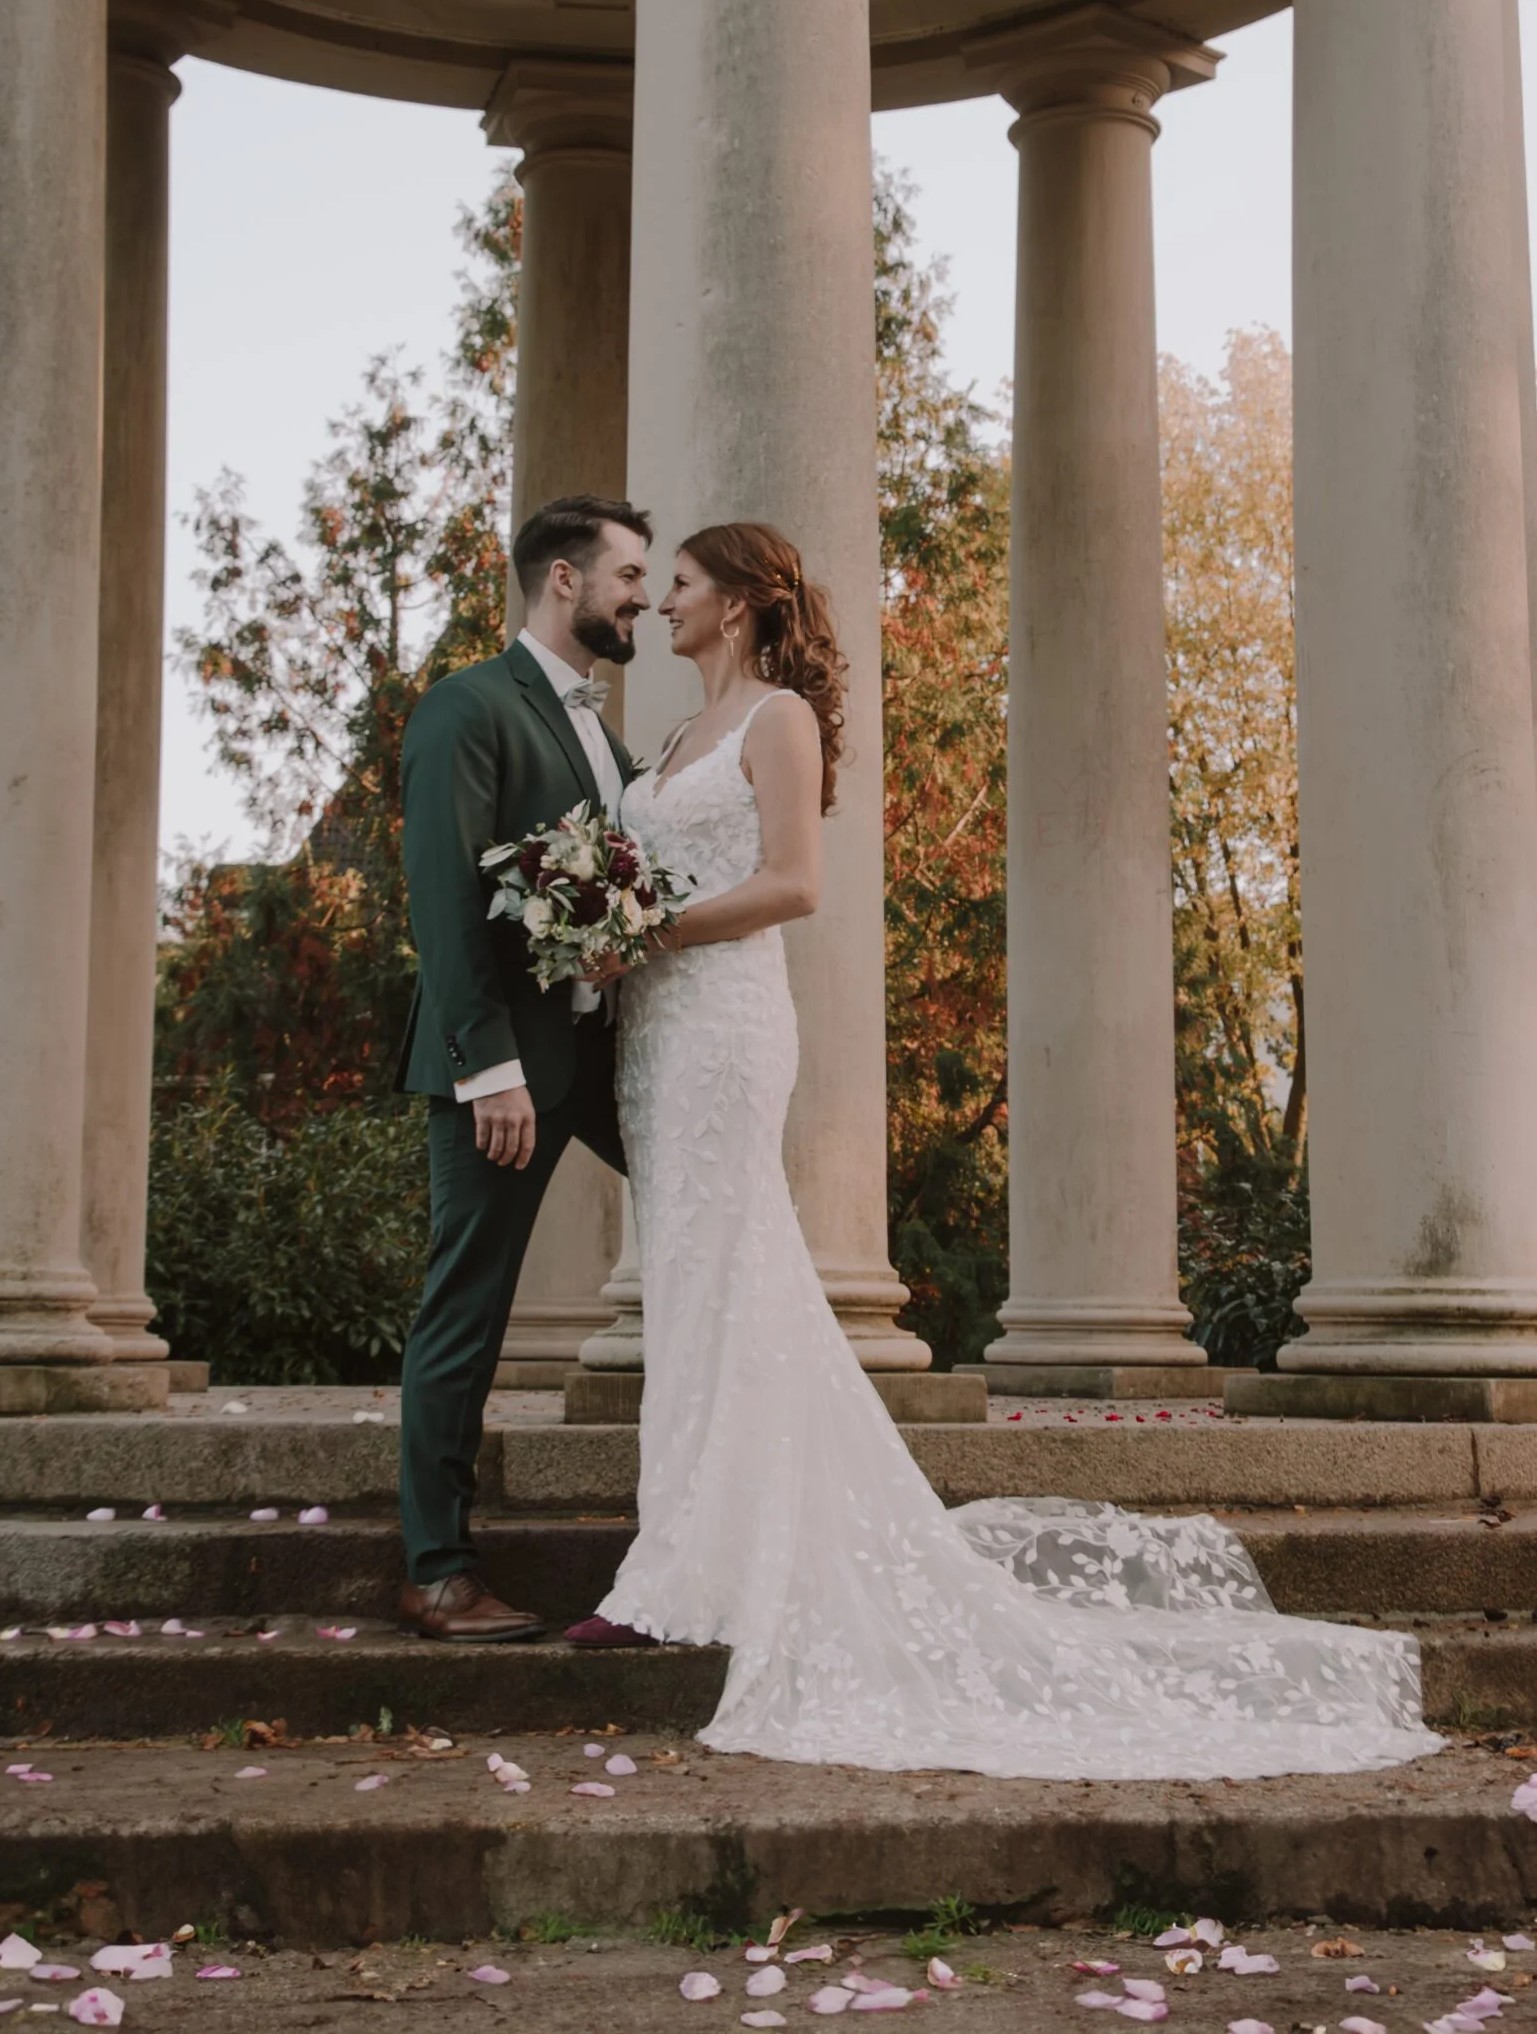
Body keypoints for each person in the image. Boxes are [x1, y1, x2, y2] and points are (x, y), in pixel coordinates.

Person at [562, 517, 1442, 1783]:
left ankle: (678, 1571)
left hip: (723, 1026)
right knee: (697, 1285)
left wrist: (655, 929)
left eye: (683, 584)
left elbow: (797, 883)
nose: (663, 605)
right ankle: (696, 1550)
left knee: (725, 1270)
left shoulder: (776, 721)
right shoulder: (668, 739)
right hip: (654, 1037)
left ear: (743, 602)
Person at [396, 494, 651, 1641]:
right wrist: (484, 1064)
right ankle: (436, 1567)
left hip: (607, 1055)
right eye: (629, 574)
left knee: (718, 1226)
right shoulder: (467, 707)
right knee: (470, 1305)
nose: (642, 596)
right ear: (563, 579)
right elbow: (445, 900)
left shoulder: (604, 730)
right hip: (506, 1066)